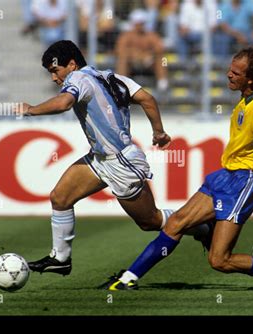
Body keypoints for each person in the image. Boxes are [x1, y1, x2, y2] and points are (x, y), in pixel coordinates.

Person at [102, 47, 253, 291]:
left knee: (219, 260)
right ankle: (128, 278)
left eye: (235, 72)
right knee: (175, 223)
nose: (229, 75)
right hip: (224, 176)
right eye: (230, 69)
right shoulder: (250, 98)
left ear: (250, 78)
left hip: (243, 182)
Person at [14, 40, 209, 276]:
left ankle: (202, 226)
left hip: (121, 162)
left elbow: (65, 103)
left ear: (72, 65)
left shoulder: (78, 79)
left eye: (56, 71)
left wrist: (31, 109)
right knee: (60, 198)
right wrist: (158, 131)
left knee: (150, 222)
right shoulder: (110, 77)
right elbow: (147, 98)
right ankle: (60, 258)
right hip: (99, 159)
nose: (55, 78)